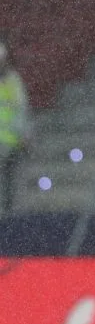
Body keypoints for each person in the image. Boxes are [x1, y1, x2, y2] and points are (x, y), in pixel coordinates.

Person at [0, 42, 30, 213]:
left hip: (11, 144)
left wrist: (23, 134)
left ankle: (10, 215)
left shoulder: (12, 82)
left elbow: (21, 110)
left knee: (11, 186)